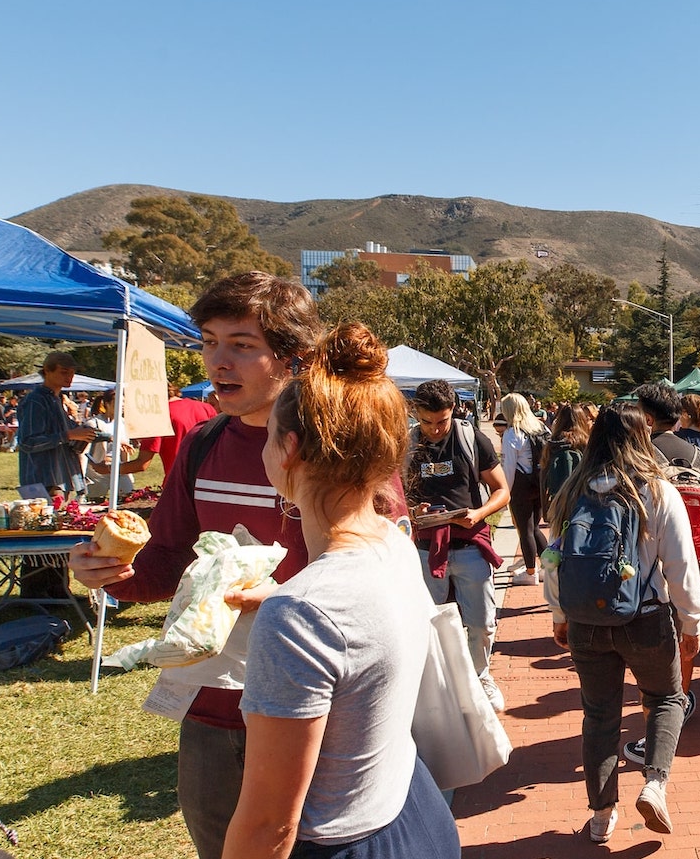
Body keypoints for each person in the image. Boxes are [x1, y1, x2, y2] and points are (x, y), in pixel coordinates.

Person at [67, 271, 327, 859]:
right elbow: (167, 557)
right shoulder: (204, 444)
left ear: (295, 357)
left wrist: (284, 598)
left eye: (241, 344)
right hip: (212, 704)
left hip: (317, 703)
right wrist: (116, 573)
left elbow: (377, 572)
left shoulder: (339, 448)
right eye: (209, 341)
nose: (218, 361)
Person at [223, 323, 458, 859]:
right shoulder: (394, 545)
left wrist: (288, 605)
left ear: (289, 450)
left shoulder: (301, 614)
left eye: (266, 437)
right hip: (416, 812)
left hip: (346, 843)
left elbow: (268, 826)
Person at [544, 403, 700, 842]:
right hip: (646, 618)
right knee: (666, 698)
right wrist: (691, 623)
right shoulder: (656, 490)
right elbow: (680, 564)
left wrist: (560, 614)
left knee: (598, 717)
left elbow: (553, 560)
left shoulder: (573, 490)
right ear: (642, 439)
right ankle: (654, 783)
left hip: (586, 623)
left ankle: (601, 815)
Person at [405, 379, 510, 711]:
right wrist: (411, 511)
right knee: (429, 622)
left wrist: (479, 513)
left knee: (481, 621)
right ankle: (439, 687)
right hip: (425, 548)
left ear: (454, 411)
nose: (435, 430)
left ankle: (481, 677)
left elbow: (502, 490)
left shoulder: (470, 438)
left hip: (468, 544)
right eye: (427, 422)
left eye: (442, 421)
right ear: (416, 415)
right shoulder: (406, 444)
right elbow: (391, 495)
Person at [92, 383, 218, 481]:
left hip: (180, 485)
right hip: (211, 480)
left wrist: (107, 469)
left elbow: (142, 464)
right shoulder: (206, 408)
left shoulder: (157, 416)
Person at [16, 351, 96, 499]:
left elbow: (69, 435)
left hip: (60, 480)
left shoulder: (56, 400)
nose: (69, 376)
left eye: (72, 372)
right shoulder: (35, 401)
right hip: (42, 483)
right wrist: (69, 435)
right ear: (47, 370)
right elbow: (27, 443)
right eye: (64, 372)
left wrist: (85, 434)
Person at [500, 392, 549, 586]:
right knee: (535, 527)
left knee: (525, 530)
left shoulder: (513, 433)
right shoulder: (541, 428)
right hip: (539, 483)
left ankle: (530, 572)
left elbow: (509, 467)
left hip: (521, 486)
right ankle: (549, 567)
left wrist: (505, 493)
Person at [83, 390, 134, 503]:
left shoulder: (124, 423)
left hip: (121, 469)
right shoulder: (94, 423)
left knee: (128, 500)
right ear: (107, 403)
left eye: (124, 402)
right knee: (95, 505)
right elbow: (83, 450)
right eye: (119, 402)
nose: (122, 405)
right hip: (98, 473)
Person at [541, 401, 592, 509]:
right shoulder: (585, 443)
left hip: (557, 500)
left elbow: (544, 470)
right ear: (581, 420)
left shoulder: (552, 444)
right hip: (581, 501)